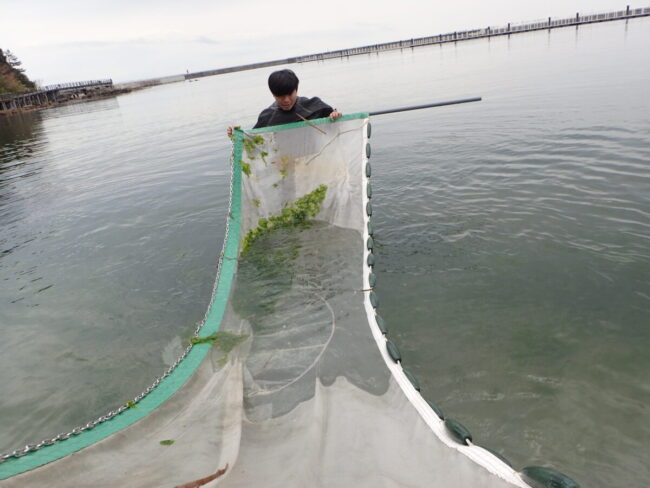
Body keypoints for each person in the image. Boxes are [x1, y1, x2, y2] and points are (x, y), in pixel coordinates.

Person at [227, 69, 342, 136]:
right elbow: (252, 140)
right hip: (285, 164)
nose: (286, 100)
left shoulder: (314, 105)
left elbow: (335, 121)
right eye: (280, 95)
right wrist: (236, 134)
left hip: (315, 157)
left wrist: (335, 114)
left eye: (290, 94)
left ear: (296, 90)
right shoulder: (267, 116)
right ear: (273, 94)